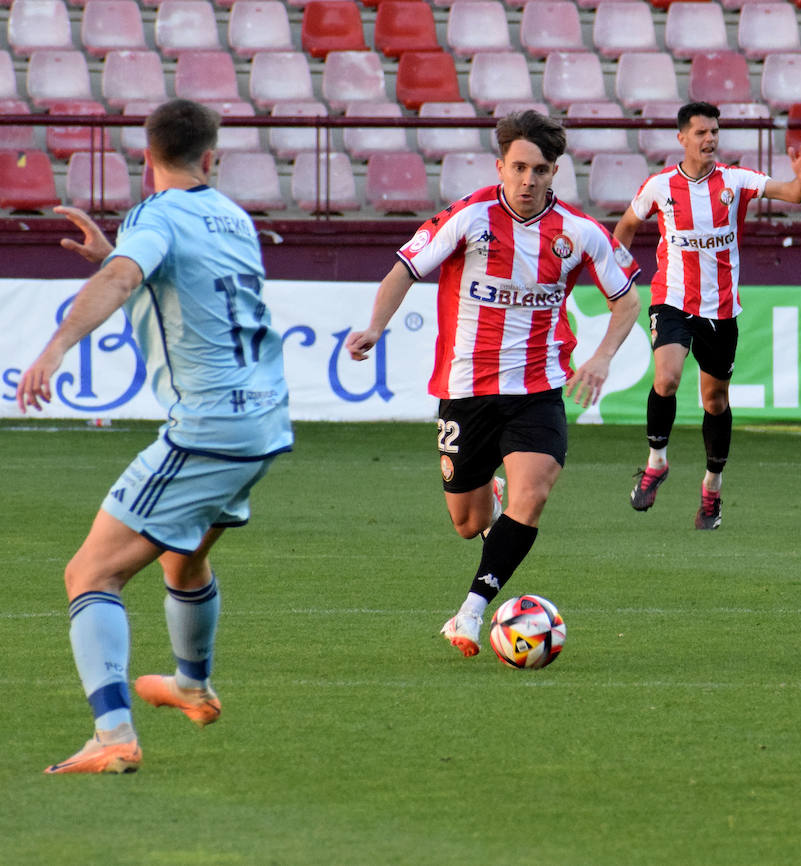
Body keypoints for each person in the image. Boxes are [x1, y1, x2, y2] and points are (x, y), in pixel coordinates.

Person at [17, 99, 294, 774]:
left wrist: (55, 347)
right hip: (264, 423)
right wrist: (118, 255)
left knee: (90, 573)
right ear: (212, 157)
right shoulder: (234, 217)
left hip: (208, 427)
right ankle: (191, 685)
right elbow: (181, 280)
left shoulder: (156, 216)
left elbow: (124, 279)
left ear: (147, 158)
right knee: (183, 560)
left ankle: (113, 736)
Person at [345, 111, 641, 656]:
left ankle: (470, 612)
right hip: (467, 389)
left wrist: (600, 358)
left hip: (538, 387)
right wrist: (375, 327)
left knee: (536, 490)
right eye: (520, 167)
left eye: (541, 170)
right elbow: (405, 270)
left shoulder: (579, 232)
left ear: (556, 172)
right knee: (468, 522)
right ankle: (489, 500)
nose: (529, 180)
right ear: (500, 165)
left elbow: (627, 300)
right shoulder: (468, 217)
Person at [612, 101, 801, 530]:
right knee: (665, 378)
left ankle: (712, 488)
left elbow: (794, 195)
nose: (710, 139)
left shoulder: (736, 181)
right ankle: (656, 462)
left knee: (714, 400)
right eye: (701, 133)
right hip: (672, 300)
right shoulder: (660, 185)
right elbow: (627, 224)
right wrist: (619, 272)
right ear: (681, 138)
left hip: (720, 309)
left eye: (714, 132)